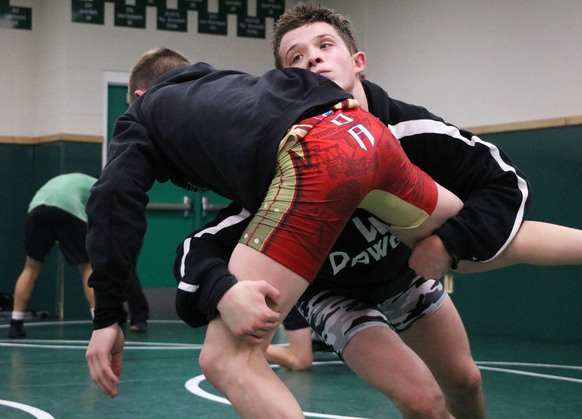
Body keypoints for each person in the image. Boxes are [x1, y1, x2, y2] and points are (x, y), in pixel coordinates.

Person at [177, 3, 582, 418]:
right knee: (423, 400)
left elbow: (503, 182)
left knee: (465, 380)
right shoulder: (281, 159)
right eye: (295, 57)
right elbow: (204, 242)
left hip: (403, 269)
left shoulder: (411, 129)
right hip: (332, 292)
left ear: (357, 62)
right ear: (283, 84)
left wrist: (449, 243)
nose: (312, 58)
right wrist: (219, 289)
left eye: (324, 45)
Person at [84, 48, 464, 418]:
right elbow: (302, 85)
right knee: (468, 235)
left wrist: (106, 318)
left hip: (315, 158)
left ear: (138, 95)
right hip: (363, 130)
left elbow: (114, 199)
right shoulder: (238, 85)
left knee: (224, 360)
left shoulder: (144, 112)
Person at [8, 173, 96, 338]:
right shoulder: (98, 184)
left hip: (37, 209)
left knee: (31, 267)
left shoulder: (68, 180)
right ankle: (100, 322)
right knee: (87, 267)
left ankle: (15, 324)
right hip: (68, 209)